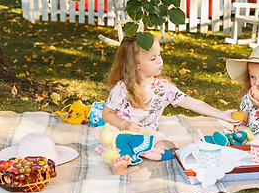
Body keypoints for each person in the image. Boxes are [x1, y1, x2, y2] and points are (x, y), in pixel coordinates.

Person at [102, 35, 239, 174]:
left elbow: (192, 103)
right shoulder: (122, 88)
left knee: (163, 145)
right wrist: (124, 124)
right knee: (115, 147)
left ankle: (180, 145)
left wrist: (221, 114)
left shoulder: (164, 88)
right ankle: (119, 163)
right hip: (121, 133)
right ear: (136, 64)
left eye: (159, 55)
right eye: (153, 58)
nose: (160, 61)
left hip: (148, 136)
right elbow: (106, 114)